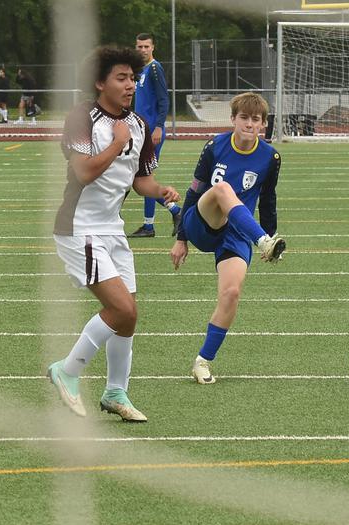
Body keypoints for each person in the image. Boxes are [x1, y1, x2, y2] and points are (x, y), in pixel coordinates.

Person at [48, 45, 180, 421]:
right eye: (120, 78)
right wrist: (117, 143)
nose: (129, 85)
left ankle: (115, 392)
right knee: (121, 308)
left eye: (132, 78)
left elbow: (141, 182)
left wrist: (161, 191)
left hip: (113, 230)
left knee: (129, 315)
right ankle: (67, 370)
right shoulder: (83, 118)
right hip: (79, 228)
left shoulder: (138, 124)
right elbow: (84, 172)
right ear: (99, 82)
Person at [169, 92, 286, 385]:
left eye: (255, 119)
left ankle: (203, 361)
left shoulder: (270, 157)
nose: (249, 124)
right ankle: (263, 242)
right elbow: (195, 191)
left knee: (231, 293)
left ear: (263, 125)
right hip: (203, 221)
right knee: (222, 191)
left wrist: (270, 232)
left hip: (236, 233)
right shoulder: (214, 146)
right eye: (243, 118)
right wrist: (181, 238)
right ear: (233, 120)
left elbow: (268, 201)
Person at [127, 33, 181, 238]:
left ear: (153, 48)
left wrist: (159, 127)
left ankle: (172, 214)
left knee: (142, 177)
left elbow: (163, 100)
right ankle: (151, 224)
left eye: (146, 46)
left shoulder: (155, 69)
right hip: (141, 132)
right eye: (139, 46)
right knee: (141, 177)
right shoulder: (139, 71)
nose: (142, 50)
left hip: (152, 133)